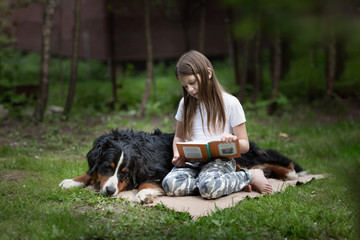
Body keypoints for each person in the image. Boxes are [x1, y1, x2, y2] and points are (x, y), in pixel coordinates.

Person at [162, 50, 272, 199]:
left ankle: (249, 175)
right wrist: (177, 155)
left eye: (192, 83)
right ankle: (225, 183)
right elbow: (179, 137)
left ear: (208, 73)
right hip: (192, 161)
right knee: (169, 185)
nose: (190, 90)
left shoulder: (230, 103)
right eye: (185, 86)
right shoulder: (185, 104)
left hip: (220, 161)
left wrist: (233, 142)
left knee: (208, 188)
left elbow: (245, 144)